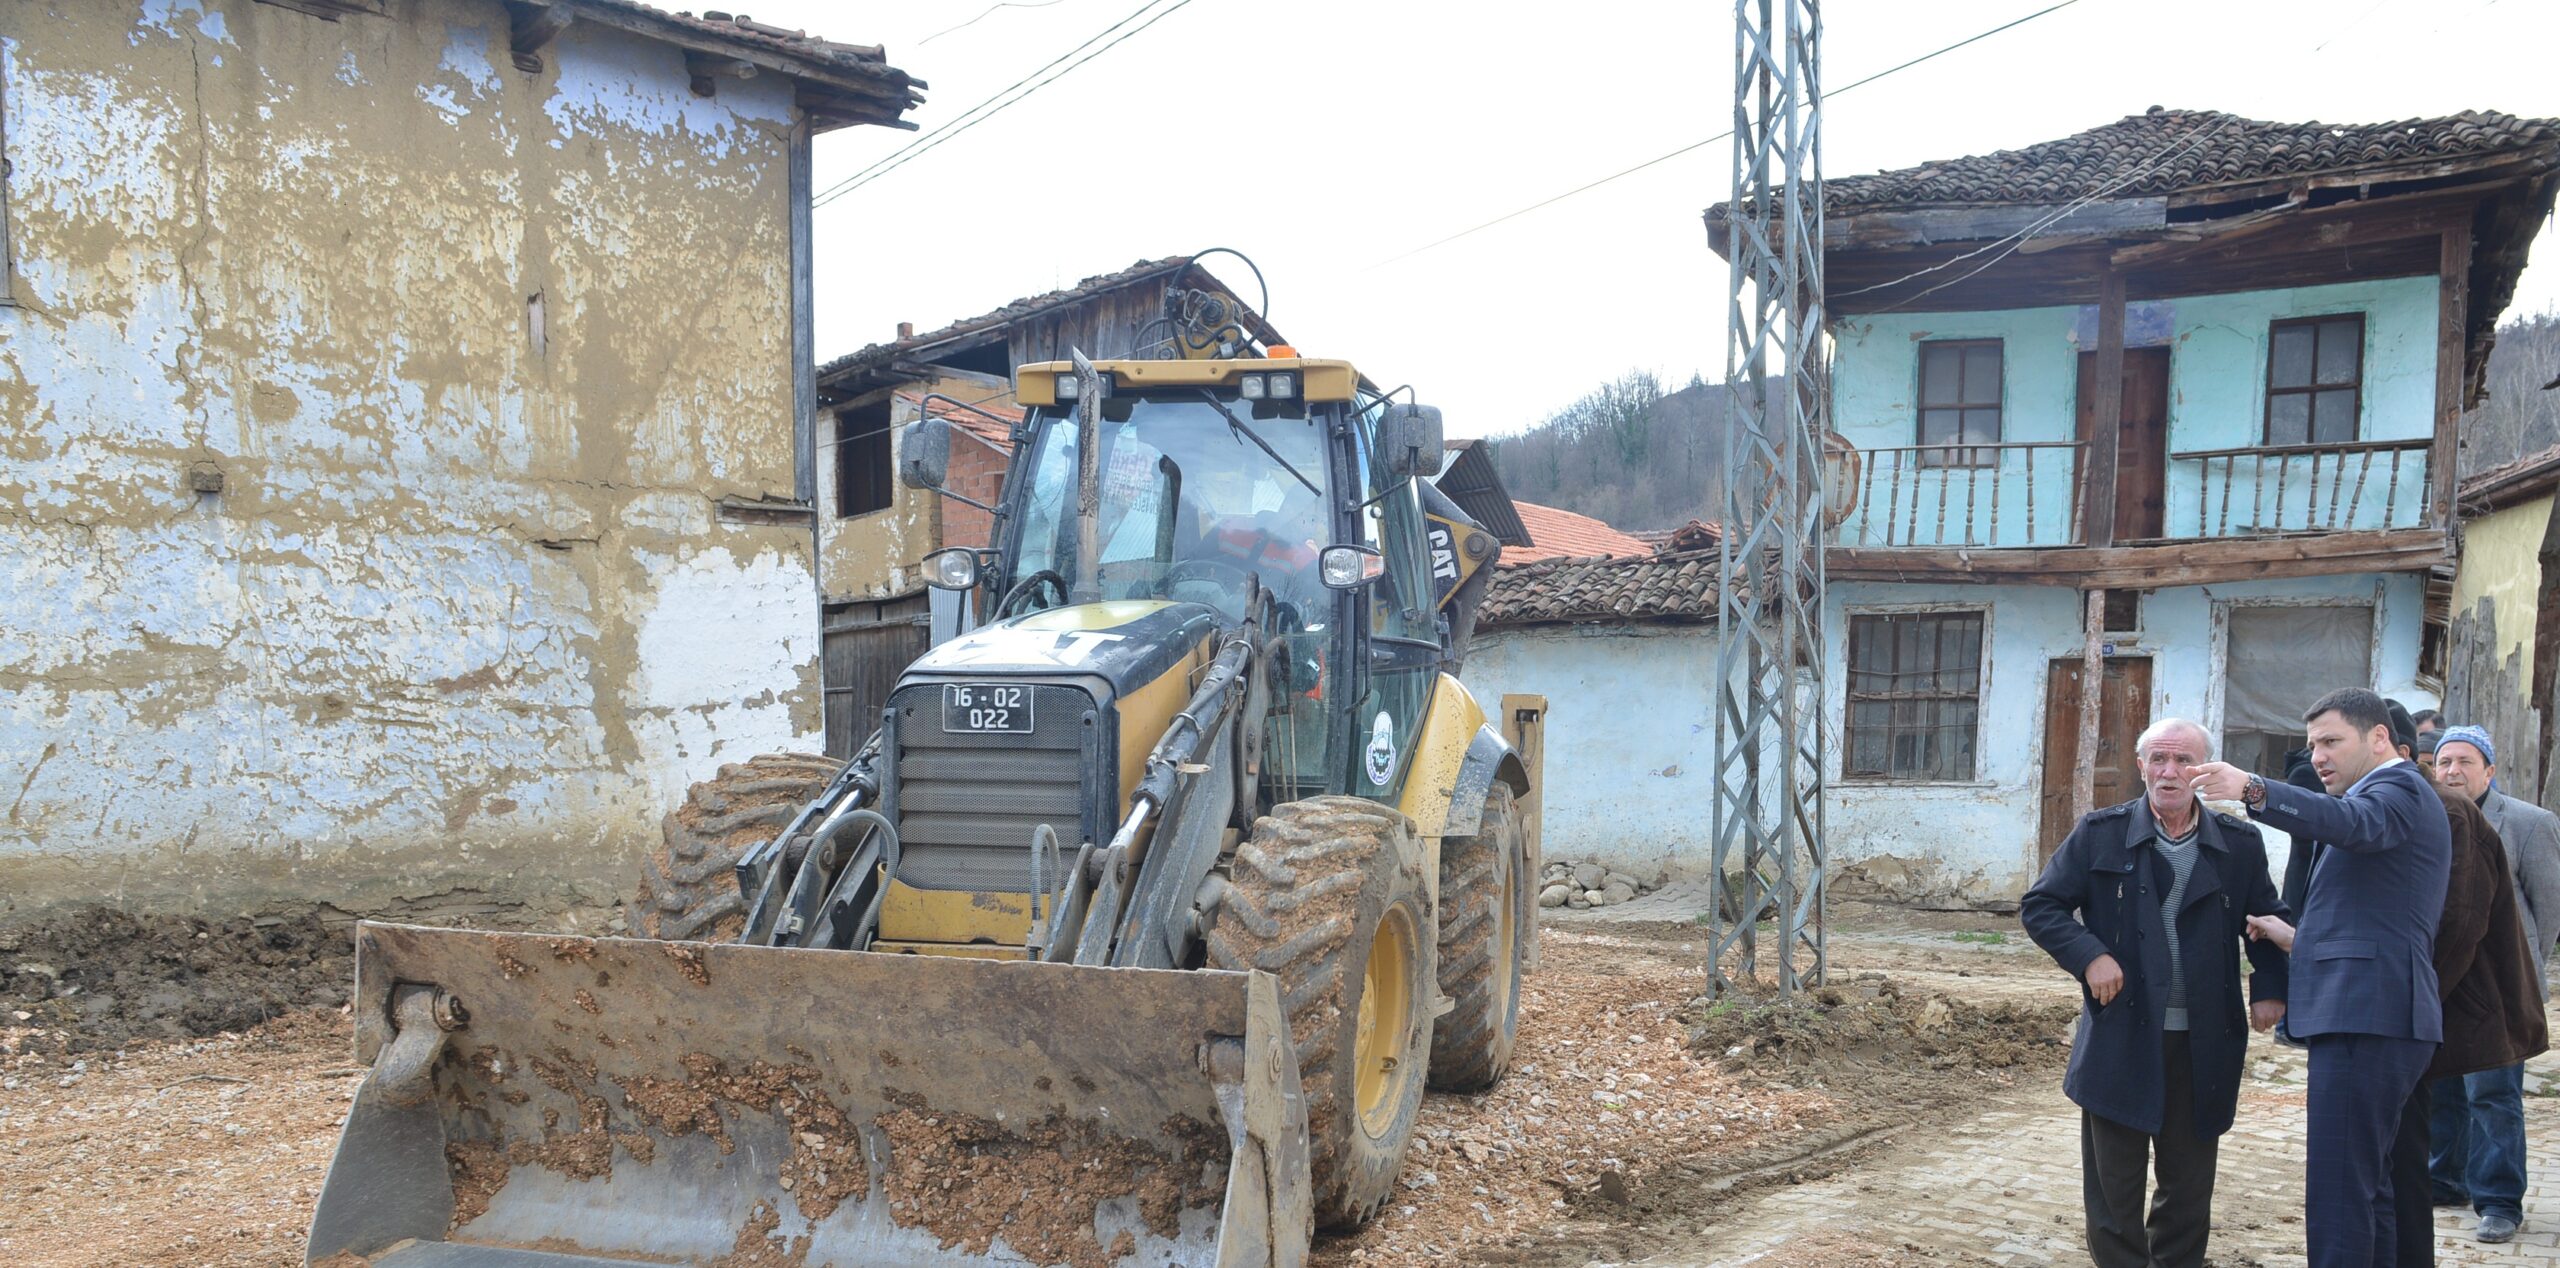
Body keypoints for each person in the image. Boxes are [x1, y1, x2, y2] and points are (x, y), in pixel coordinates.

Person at [2191, 687, 2451, 1268]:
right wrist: (2295, 938)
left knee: (2338, 1194)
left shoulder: (2397, 786)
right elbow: (2376, 918)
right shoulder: (2386, 797)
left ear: (2380, 738)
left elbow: (2353, 823)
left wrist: (2253, 789)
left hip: (2370, 1014)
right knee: (2368, 1189)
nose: (2317, 758)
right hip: (2377, 1012)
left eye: (2332, 741)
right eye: (2311, 746)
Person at [2022, 718, 2289, 1268]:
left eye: (2185, 760)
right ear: (2141, 766)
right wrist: (2089, 955)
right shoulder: (2101, 832)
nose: (2171, 772)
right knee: (2114, 1196)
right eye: (2159, 759)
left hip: (2203, 1041)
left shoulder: (2238, 844)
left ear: (2205, 771)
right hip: (2121, 1034)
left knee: (2188, 1192)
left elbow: (2267, 916)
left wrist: (2269, 986)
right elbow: (2041, 906)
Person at [2426, 725, 2560, 1242]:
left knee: (2493, 1094)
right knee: (2443, 1089)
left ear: (2490, 770)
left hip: (2499, 989)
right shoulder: (2431, 816)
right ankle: (2445, 1179)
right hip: (2445, 982)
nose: (2452, 771)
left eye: (2464, 761)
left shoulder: (2529, 822)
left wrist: (2517, 968)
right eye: (2443, 762)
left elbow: (2549, 909)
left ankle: (2500, 1200)